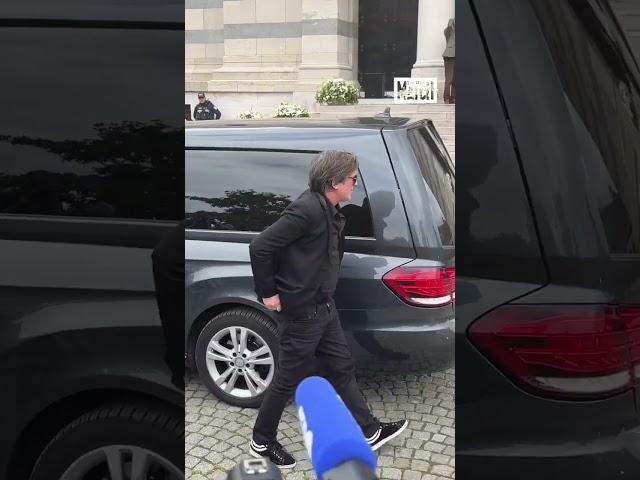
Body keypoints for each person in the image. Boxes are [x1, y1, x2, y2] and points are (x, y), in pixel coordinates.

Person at [248, 150, 408, 469]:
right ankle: (261, 441)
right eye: (352, 178)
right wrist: (269, 293)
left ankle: (369, 430)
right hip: (303, 311)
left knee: (341, 365)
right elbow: (260, 246)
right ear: (334, 182)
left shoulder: (331, 210)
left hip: (324, 306)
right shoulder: (306, 209)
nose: (355, 183)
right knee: (287, 379)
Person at [443, 17, 455, 104]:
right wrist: (450, 24)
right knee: (449, 79)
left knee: (455, 79)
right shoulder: (448, 32)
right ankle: (446, 98)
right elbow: (447, 29)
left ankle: (454, 97)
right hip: (449, 56)